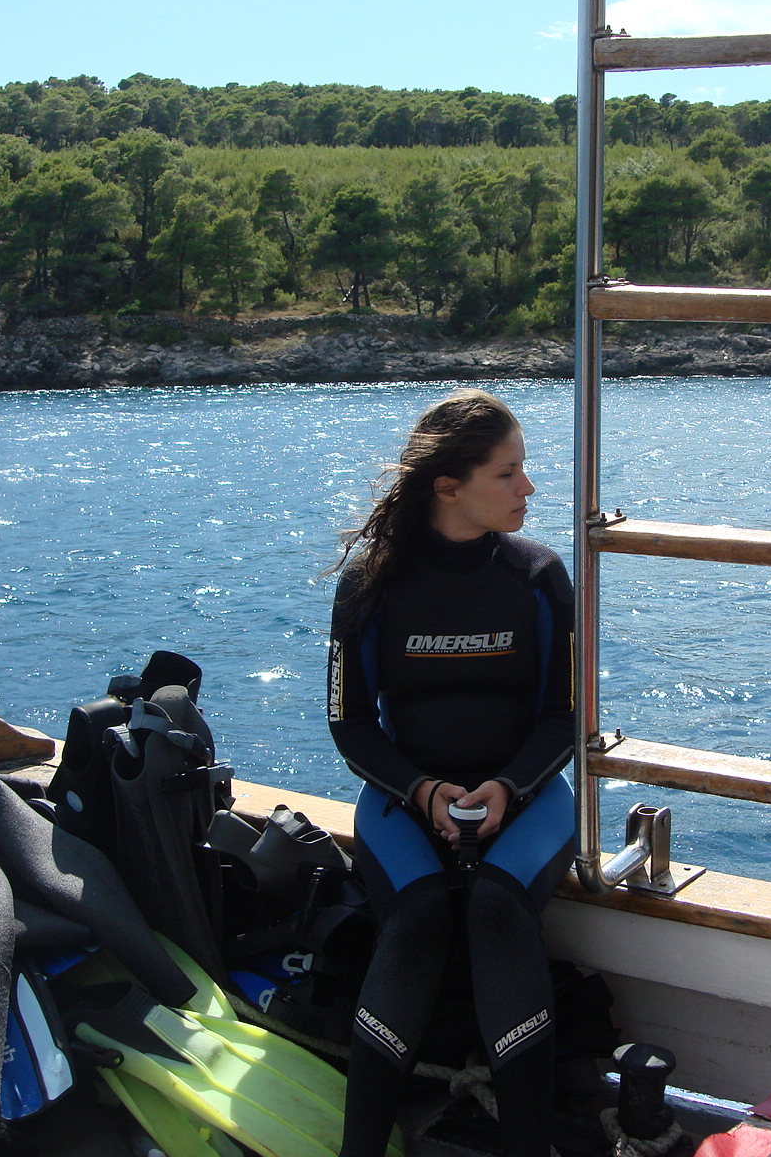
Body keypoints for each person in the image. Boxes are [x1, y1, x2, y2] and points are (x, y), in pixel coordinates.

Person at [327, 389, 576, 1157]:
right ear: (449, 487)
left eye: (523, 469)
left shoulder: (539, 577)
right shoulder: (371, 586)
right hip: (403, 799)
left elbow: (564, 718)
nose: (528, 487)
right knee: (422, 916)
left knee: (496, 910)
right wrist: (423, 790)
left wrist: (506, 787)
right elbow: (350, 724)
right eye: (507, 473)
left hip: (529, 796)